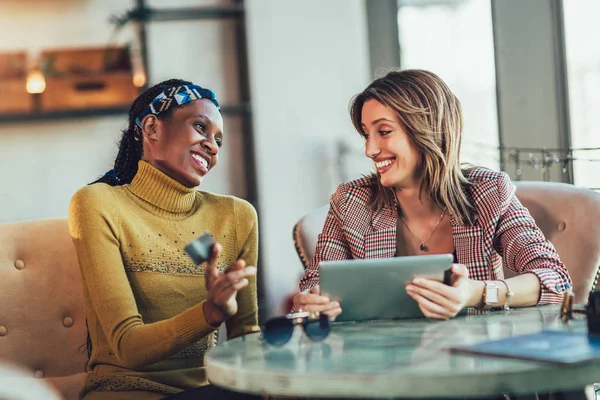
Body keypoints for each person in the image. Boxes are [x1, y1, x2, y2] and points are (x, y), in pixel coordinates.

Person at [293, 69, 572, 320]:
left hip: (475, 362)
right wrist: (313, 303)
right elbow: (312, 289)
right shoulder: (351, 201)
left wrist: (476, 293)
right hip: (382, 368)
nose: (370, 150)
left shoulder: (489, 192)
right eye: (367, 134)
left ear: (427, 130)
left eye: (384, 131)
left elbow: (555, 280)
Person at [68, 79, 259, 399]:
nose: (212, 146)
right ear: (152, 128)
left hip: (208, 391)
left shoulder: (236, 216)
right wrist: (209, 313)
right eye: (201, 127)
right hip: (128, 390)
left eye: (219, 141)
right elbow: (128, 347)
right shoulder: (99, 203)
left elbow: (246, 337)